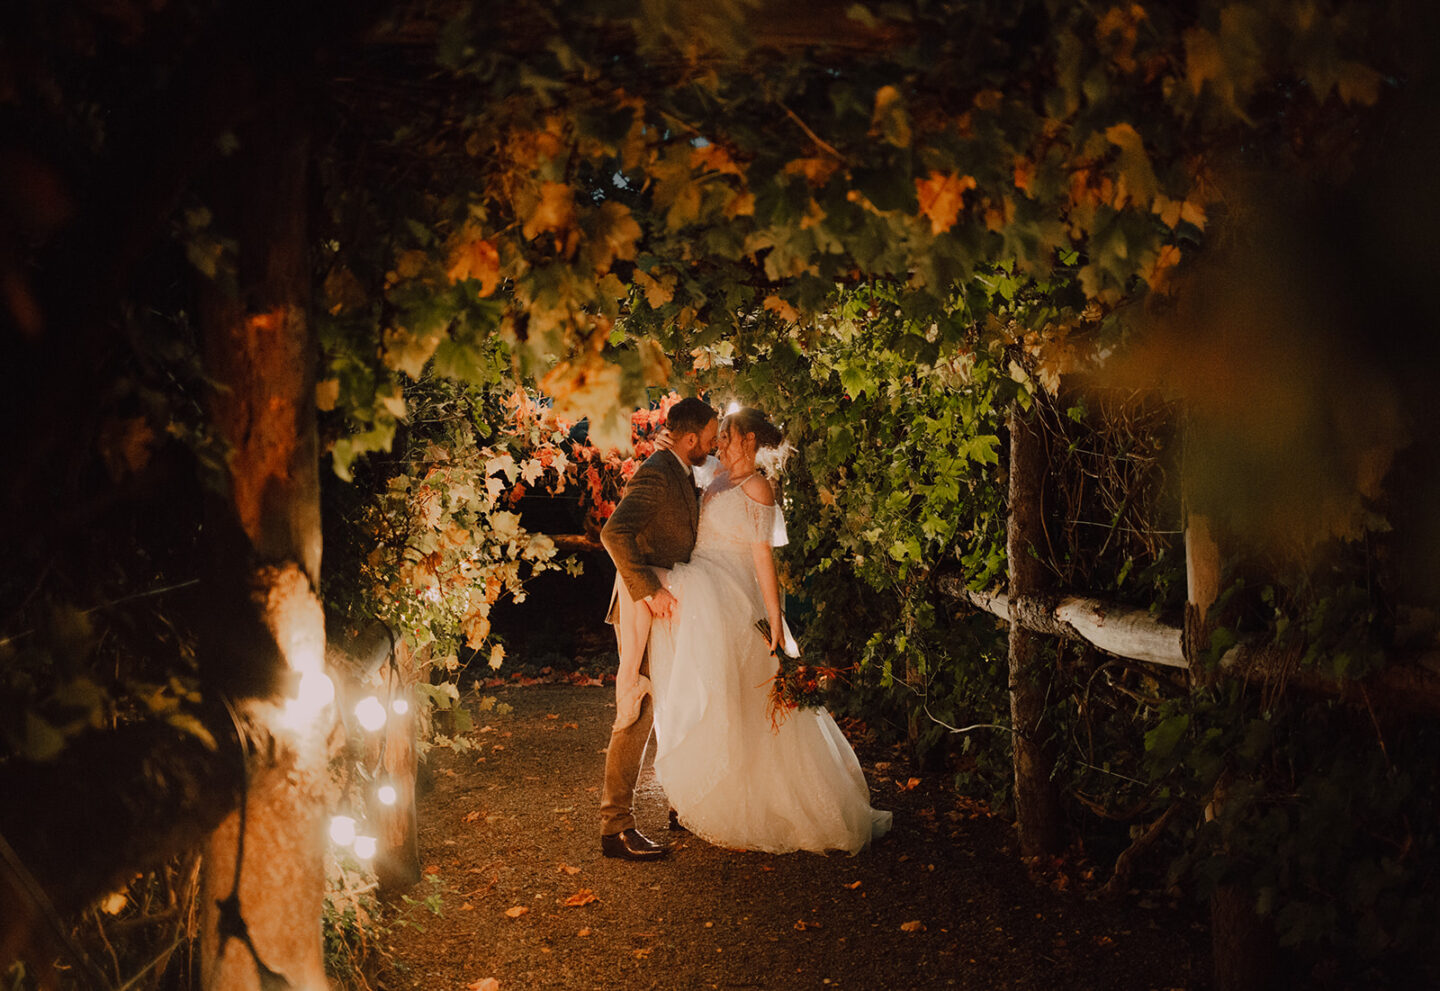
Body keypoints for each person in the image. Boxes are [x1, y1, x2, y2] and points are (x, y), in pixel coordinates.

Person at [645, 406, 892, 854]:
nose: (719, 443)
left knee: (748, 695)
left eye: (728, 436)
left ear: (750, 442)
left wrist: (776, 621)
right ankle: (711, 787)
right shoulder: (716, 478)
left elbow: (763, 559)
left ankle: (777, 798)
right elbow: (687, 473)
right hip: (706, 589)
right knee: (722, 692)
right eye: (718, 437)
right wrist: (667, 446)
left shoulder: (757, 486)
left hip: (735, 596)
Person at [597, 397, 718, 860]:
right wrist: (649, 589)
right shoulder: (658, 472)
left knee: (670, 701)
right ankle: (615, 828)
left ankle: (679, 804)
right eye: (709, 437)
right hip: (640, 606)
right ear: (690, 439)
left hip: (666, 603)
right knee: (638, 707)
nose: (713, 443)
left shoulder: (684, 467)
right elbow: (614, 533)